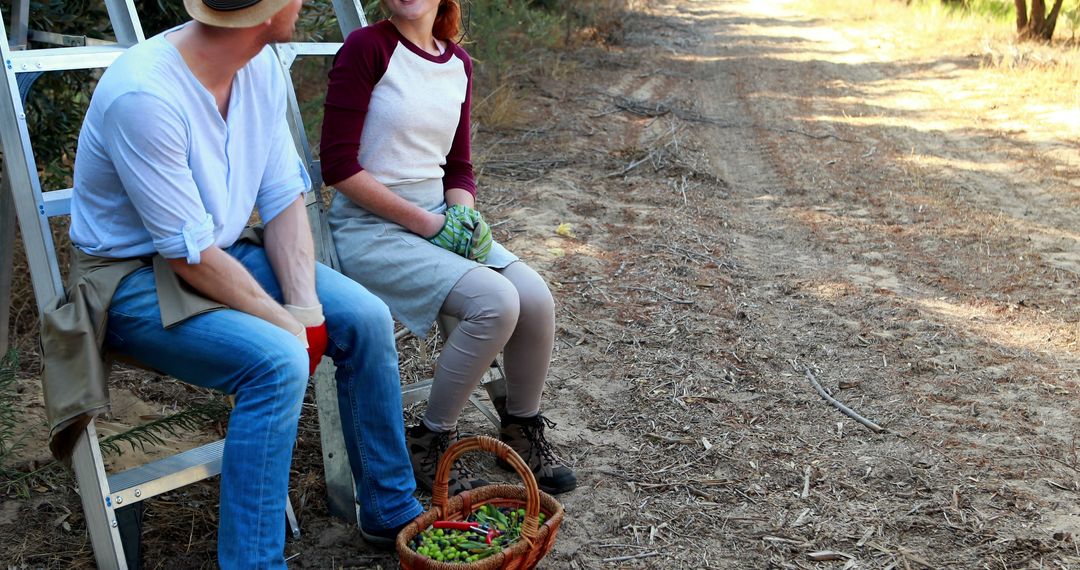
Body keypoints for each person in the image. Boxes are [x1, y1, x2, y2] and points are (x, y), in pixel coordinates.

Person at [66, 0, 424, 565]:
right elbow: (188, 258)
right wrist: (286, 326)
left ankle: (391, 511)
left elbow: (282, 197)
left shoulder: (260, 67)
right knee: (278, 358)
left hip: (220, 249)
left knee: (366, 317)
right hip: (130, 280)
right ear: (265, 13)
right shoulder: (144, 95)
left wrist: (304, 307)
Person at [320, 0, 577, 497]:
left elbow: (458, 167)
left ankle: (521, 429)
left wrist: (461, 215)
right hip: (371, 225)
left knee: (536, 298)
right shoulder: (368, 48)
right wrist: (429, 224)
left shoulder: (458, 63)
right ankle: (431, 441)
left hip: (439, 216)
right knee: (495, 301)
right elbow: (338, 167)